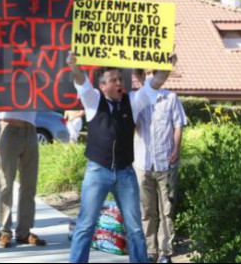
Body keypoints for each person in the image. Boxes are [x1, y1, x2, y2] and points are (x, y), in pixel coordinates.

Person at [66, 51, 175, 263]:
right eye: (113, 80)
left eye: (120, 79)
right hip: (98, 170)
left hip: (125, 173)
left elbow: (156, 82)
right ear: (103, 86)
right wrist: (74, 66)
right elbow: (81, 81)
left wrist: (167, 66)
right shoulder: (93, 100)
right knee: (85, 225)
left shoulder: (132, 101)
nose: (119, 83)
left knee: (135, 228)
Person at [133, 69, 187, 264]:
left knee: (167, 210)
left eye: (153, 72)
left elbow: (178, 124)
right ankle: (150, 251)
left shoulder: (171, 98)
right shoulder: (136, 100)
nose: (150, 76)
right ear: (140, 77)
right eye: (146, 73)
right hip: (142, 163)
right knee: (146, 210)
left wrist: (176, 149)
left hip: (166, 162)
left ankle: (165, 251)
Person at [0, 110, 46, 248]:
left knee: (29, 184)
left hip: (30, 129)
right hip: (8, 127)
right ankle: (5, 231)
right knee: (5, 183)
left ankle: (24, 232)